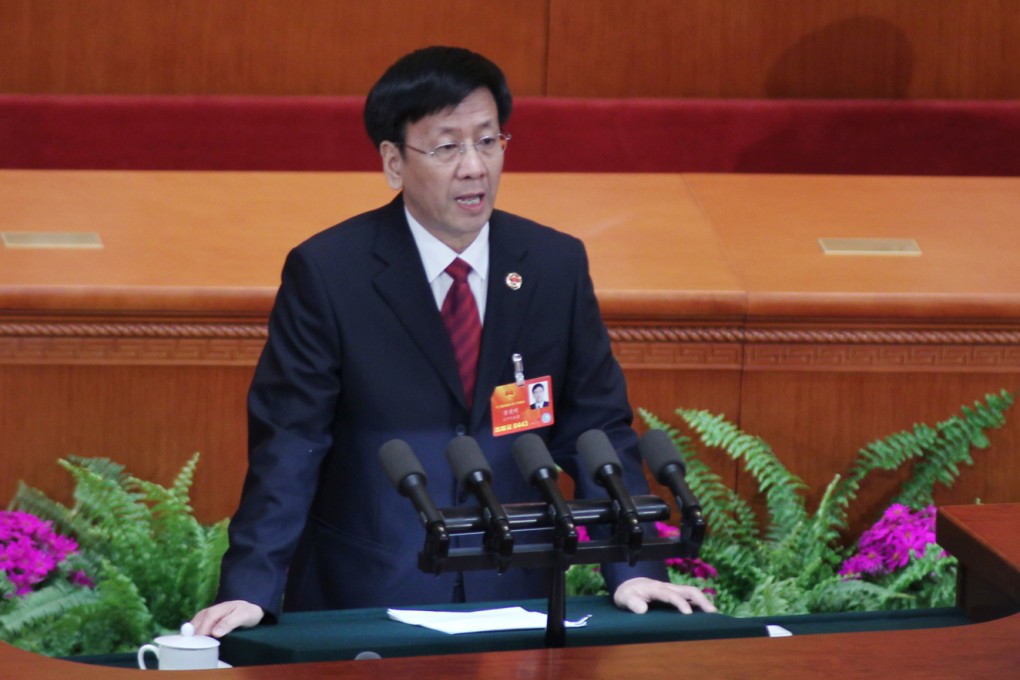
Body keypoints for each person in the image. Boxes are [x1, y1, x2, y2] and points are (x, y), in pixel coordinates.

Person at [192, 46, 714, 638]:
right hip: (369, 593)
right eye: (447, 146)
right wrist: (251, 589)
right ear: (394, 160)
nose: (474, 167)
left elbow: (596, 425)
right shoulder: (330, 272)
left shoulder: (552, 264)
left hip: (520, 591)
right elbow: (291, 442)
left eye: (488, 142)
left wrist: (633, 567)